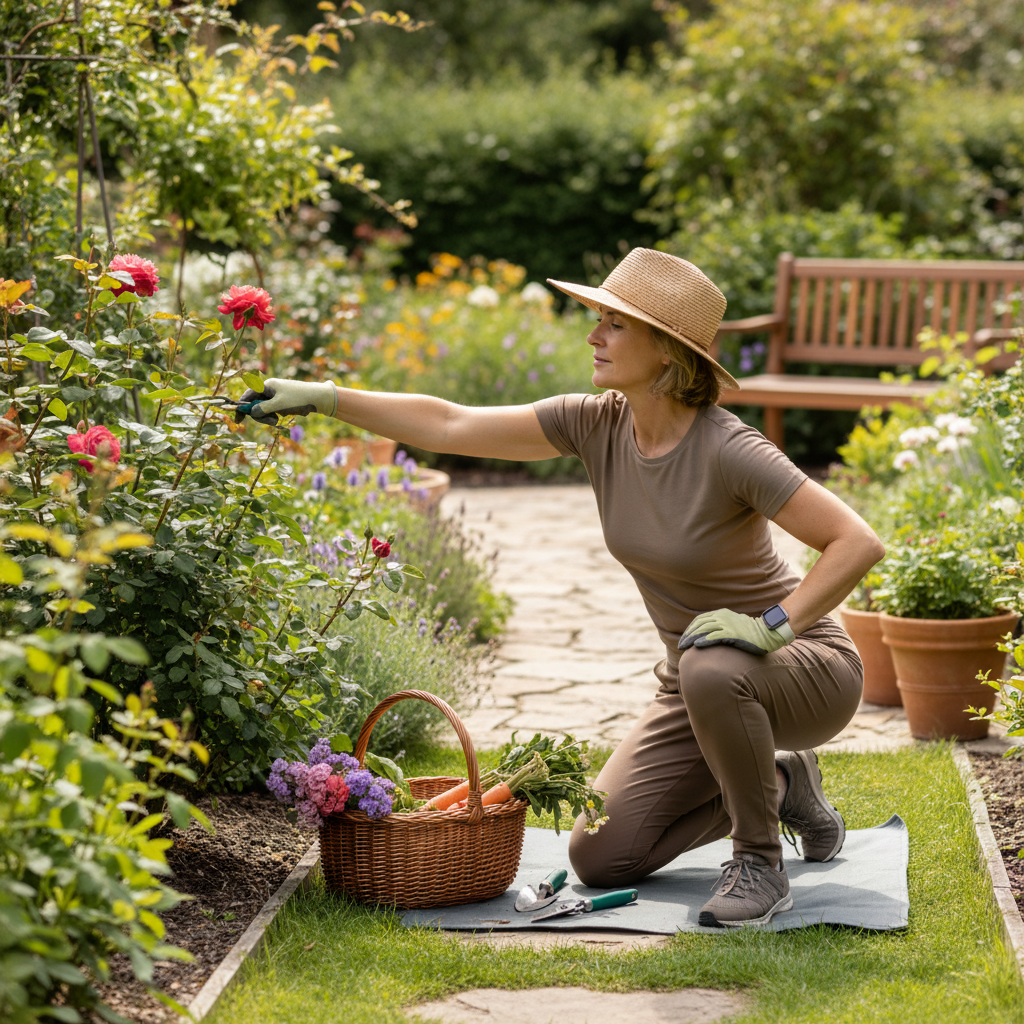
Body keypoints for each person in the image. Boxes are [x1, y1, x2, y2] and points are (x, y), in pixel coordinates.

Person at [235, 247, 884, 928]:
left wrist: (771, 625)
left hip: (802, 668)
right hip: (698, 683)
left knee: (713, 666)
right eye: (597, 318)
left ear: (667, 351)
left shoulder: (729, 449)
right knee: (602, 854)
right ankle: (782, 783)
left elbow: (856, 541)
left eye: (614, 324)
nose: (592, 335)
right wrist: (327, 399)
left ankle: (759, 864)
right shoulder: (597, 423)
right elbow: (452, 422)